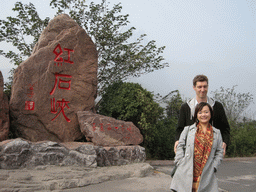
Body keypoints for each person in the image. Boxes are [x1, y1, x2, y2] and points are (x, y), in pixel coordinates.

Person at [170, 102, 223, 192]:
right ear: (196, 115)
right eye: (200, 112)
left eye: (206, 112)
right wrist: (179, 161)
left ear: (210, 114)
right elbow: (180, 146)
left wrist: (214, 166)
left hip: (206, 172)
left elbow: (219, 151)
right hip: (186, 170)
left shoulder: (217, 133)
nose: (203, 115)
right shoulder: (188, 130)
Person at [174, 75, 230, 155]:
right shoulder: (186, 107)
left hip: (212, 153)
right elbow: (180, 129)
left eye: (205, 86)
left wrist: (225, 142)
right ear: (194, 87)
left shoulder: (217, 106)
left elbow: (225, 129)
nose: (202, 90)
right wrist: (177, 141)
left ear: (208, 87)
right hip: (190, 153)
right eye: (199, 87)